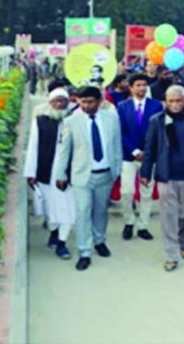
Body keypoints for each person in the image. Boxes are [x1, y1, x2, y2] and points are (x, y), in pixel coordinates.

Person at [140, 86, 184, 272]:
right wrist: (145, 172)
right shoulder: (157, 121)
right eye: (171, 101)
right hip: (167, 176)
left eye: (178, 100)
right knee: (169, 217)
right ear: (165, 102)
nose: (175, 104)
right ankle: (172, 253)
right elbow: (150, 148)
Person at [54, 86, 123, 271]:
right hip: (82, 176)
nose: (86, 105)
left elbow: (117, 145)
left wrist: (117, 169)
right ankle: (84, 251)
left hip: (106, 174)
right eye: (82, 102)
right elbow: (64, 150)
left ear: (99, 101)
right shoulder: (71, 121)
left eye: (90, 101)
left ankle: (99, 241)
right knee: (83, 212)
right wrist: (60, 174)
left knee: (100, 211)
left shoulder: (112, 119)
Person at [25, 88, 77, 260]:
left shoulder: (75, 120)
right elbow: (33, 147)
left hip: (69, 174)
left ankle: (62, 243)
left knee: (69, 209)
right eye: (56, 101)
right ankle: (54, 232)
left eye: (63, 100)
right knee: (50, 209)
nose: (60, 104)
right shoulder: (40, 121)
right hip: (46, 172)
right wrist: (30, 173)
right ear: (50, 103)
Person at [116, 74, 162, 241]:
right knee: (126, 192)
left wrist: (148, 153)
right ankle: (129, 222)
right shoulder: (122, 106)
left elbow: (158, 131)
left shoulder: (156, 106)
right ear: (131, 87)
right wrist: (135, 151)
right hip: (128, 156)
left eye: (144, 85)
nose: (142, 88)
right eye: (138, 85)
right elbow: (120, 132)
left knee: (146, 193)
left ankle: (143, 226)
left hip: (149, 157)